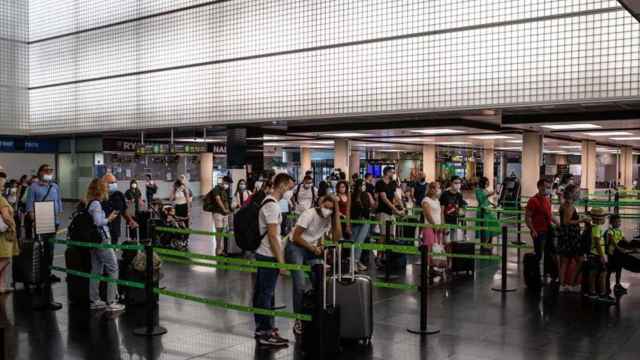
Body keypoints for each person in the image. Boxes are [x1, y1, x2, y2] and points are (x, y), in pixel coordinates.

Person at [286, 195, 342, 336]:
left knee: (320, 280)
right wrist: (313, 249)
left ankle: (316, 313)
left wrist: (336, 217)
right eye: (326, 206)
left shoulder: (330, 217)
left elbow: (336, 237)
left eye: (331, 208)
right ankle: (298, 319)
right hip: (296, 247)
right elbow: (297, 236)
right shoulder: (308, 214)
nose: (327, 210)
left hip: (312, 248)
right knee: (299, 284)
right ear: (320, 203)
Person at [253, 173, 294, 347]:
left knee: (263, 293)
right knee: (266, 294)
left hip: (265, 253)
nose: (290, 191)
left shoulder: (270, 202)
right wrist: (281, 262)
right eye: (289, 187)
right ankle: (265, 332)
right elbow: (272, 236)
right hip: (268, 255)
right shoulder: (272, 206)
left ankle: (264, 328)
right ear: (282, 185)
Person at [85, 178, 126, 312]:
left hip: (94, 241)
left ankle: (95, 300)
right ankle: (111, 301)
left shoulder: (90, 203)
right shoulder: (96, 204)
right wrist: (109, 219)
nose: (108, 188)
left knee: (96, 269)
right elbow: (98, 222)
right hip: (102, 240)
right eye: (105, 186)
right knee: (113, 267)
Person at [25, 164, 64, 284]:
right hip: (41, 221)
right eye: (46, 171)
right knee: (41, 248)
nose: (49, 173)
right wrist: (34, 221)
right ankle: (40, 274)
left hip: (54, 221)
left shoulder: (54, 186)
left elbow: (58, 202)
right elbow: (30, 206)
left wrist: (59, 216)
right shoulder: (33, 187)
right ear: (40, 172)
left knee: (50, 249)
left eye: (51, 171)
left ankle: (48, 272)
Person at [525, 179, 559, 279]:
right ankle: (534, 275)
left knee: (550, 252)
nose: (546, 189)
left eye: (548, 187)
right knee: (539, 254)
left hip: (548, 230)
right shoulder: (533, 200)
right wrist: (533, 230)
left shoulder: (547, 200)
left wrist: (558, 223)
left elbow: (550, 215)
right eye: (544, 186)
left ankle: (548, 273)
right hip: (539, 231)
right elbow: (527, 217)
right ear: (539, 187)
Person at [557, 184, 588, 293]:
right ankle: (572, 283)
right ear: (571, 193)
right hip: (570, 236)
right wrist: (582, 220)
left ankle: (563, 284)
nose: (578, 194)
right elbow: (567, 222)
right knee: (579, 260)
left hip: (565, 236)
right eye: (576, 192)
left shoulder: (565, 204)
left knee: (564, 261)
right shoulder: (569, 205)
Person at [585, 208, 615, 304]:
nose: (604, 220)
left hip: (592, 254)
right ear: (600, 219)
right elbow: (597, 243)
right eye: (603, 218)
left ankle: (592, 293)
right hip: (597, 255)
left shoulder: (593, 227)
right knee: (603, 274)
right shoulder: (597, 228)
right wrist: (602, 256)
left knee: (593, 274)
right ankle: (602, 294)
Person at [102, 174, 138, 244]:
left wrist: (130, 220)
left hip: (115, 229)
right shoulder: (100, 196)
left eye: (115, 182)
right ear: (104, 184)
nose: (114, 184)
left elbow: (123, 211)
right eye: (112, 182)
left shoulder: (119, 195)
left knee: (113, 248)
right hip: (102, 231)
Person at [350, 179, 375, 272]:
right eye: (362, 184)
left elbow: (373, 207)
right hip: (355, 220)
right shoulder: (352, 195)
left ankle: (356, 261)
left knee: (360, 242)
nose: (363, 186)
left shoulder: (366, 195)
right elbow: (350, 210)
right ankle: (354, 262)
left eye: (364, 184)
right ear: (358, 186)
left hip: (365, 220)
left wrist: (372, 197)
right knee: (354, 242)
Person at [0, 183, 20, 293]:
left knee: (1, 258)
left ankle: (1, 286)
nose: (4, 187)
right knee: (6, 259)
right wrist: (12, 225)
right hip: (4, 234)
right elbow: (6, 216)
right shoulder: (1, 199)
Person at [605, 214, 629, 296]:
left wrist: (631, 245)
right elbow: (613, 242)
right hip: (612, 253)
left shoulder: (620, 231)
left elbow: (624, 240)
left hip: (618, 253)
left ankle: (617, 285)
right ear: (612, 223)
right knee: (610, 268)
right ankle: (605, 285)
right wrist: (619, 248)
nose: (618, 223)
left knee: (619, 268)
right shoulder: (610, 231)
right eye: (616, 222)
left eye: (619, 221)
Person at [422, 181, 444, 268]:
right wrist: (434, 225)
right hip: (429, 227)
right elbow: (428, 215)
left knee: (437, 248)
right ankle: (428, 267)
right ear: (431, 189)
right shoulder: (426, 200)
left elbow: (439, 214)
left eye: (439, 188)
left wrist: (440, 225)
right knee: (429, 247)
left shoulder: (437, 201)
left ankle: (434, 266)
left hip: (438, 228)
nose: (439, 190)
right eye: (437, 188)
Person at [208, 176, 232, 255]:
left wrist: (228, 210)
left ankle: (223, 249)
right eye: (227, 183)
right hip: (218, 213)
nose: (228, 185)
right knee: (219, 231)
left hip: (225, 214)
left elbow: (226, 201)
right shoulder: (216, 189)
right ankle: (218, 250)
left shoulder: (224, 190)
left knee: (224, 231)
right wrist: (224, 209)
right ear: (223, 181)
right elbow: (218, 200)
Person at [439, 176, 467, 243]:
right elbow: (441, 210)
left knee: (453, 240)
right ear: (451, 183)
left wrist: (462, 211)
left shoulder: (459, 195)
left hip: (455, 220)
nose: (458, 185)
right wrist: (443, 223)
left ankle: (452, 251)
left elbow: (460, 208)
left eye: (459, 183)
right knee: (445, 241)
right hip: (446, 220)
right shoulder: (445, 194)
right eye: (456, 183)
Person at [475, 177, 499, 250]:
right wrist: (490, 194)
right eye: (486, 182)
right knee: (484, 228)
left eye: (488, 182)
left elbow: (486, 200)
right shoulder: (478, 190)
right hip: (482, 210)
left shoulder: (485, 190)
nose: (488, 184)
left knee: (492, 225)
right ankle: (484, 244)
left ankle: (489, 243)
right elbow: (481, 199)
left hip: (488, 210)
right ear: (482, 183)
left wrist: (492, 204)